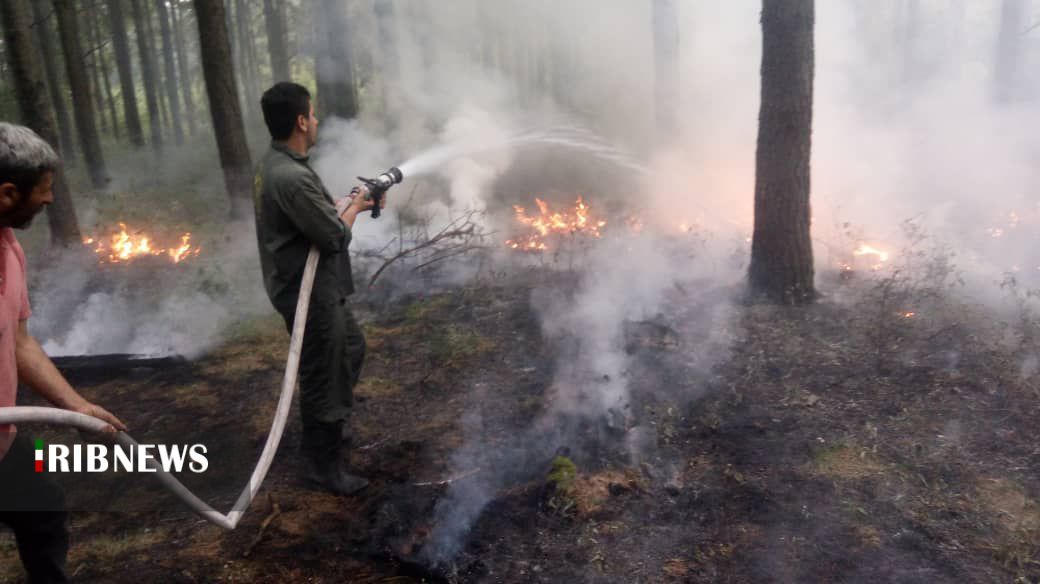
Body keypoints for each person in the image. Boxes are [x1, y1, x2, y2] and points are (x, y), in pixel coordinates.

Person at [0, 123, 126, 583]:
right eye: (45, 191)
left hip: (3, 440)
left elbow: (19, 342)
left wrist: (78, 408)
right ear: (9, 193)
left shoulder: (10, 248)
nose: (51, 200)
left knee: (44, 510)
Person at [254, 82, 382, 496]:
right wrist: (357, 209)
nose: (317, 120)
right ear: (300, 121)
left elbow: (313, 218)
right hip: (307, 293)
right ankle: (323, 465)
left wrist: (342, 202)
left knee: (349, 350)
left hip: (318, 288)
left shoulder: (282, 164)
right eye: (312, 114)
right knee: (322, 371)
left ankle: (328, 428)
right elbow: (332, 237)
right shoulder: (290, 176)